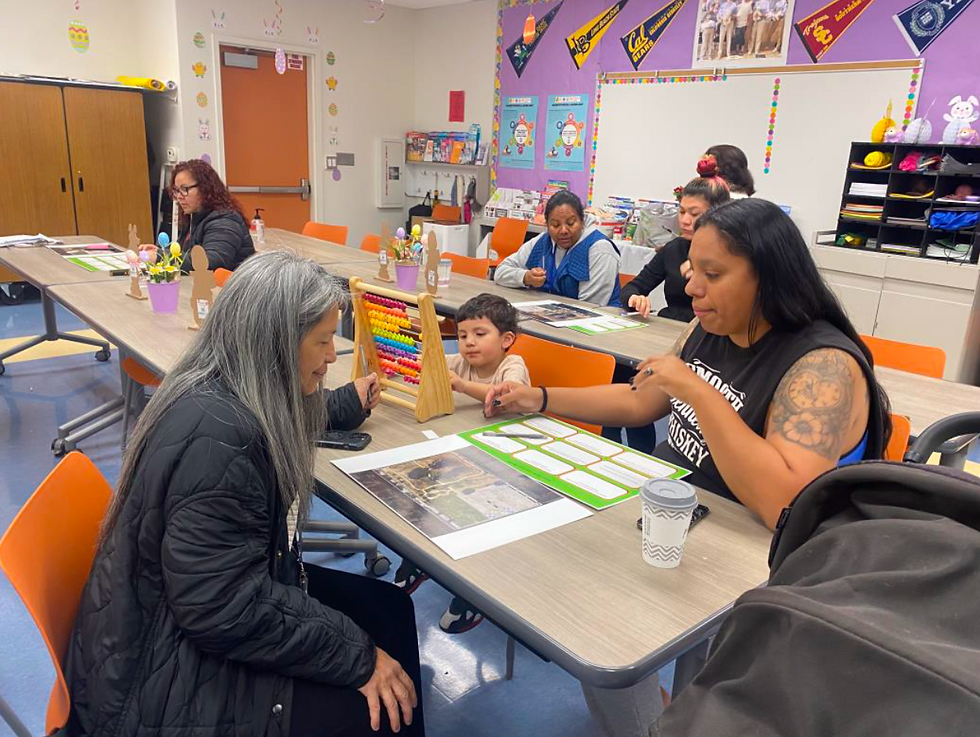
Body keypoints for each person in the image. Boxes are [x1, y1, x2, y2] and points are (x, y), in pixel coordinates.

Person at [65, 251, 424, 737]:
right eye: (321, 342)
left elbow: (291, 411)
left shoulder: (227, 388)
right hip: (159, 676)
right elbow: (221, 608)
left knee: (392, 610)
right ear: (275, 346)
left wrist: (342, 402)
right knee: (372, 710)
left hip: (174, 614)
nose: (331, 357)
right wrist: (358, 658)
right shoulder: (220, 439)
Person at [487, 199, 892, 530]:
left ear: (770, 279)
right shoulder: (712, 324)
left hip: (737, 540)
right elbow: (638, 401)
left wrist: (699, 392)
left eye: (712, 274)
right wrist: (538, 398)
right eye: (692, 271)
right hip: (667, 502)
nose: (693, 288)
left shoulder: (823, 366)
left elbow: (784, 506)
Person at [395, 294, 530, 634]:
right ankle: (420, 559)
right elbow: (430, 361)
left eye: (480, 334)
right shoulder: (458, 362)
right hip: (461, 450)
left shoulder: (512, 365)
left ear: (506, 340)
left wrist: (460, 385)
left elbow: (506, 397)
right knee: (422, 493)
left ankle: (475, 592)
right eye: (464, 334)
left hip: (505, 462)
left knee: (474, 516)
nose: (469, 342)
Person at [622, 172, 731, 323]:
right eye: (682, 212)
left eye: (695, 214)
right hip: (670, 326)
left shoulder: (732, 256)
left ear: (718, 215)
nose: (685, 220)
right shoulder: (674, 249)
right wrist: (635, 298)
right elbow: (635, 286)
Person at [494, 190, 622, 307]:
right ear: (547, 225)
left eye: (571, 223)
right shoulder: (543, 241)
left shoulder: (600, 249)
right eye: (555, 225)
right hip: (551, 317)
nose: (563, 231)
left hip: (594, 325)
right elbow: (500, 272)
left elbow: (589, 307)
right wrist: (526, 277)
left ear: (582, 221)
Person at [144, 158, 254, 272]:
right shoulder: (194, 216)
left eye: (185, 189)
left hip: (233, 288)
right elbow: (186, 256)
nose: (179, 196)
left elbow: (210, 262)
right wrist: (161, 252)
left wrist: (161, 257)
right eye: (176, 190)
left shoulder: (224, 220)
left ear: (205, 188)